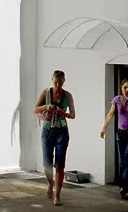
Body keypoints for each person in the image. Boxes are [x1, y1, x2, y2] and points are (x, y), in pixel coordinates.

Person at [35, 69, 76, 206]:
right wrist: (46, 106)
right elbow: (36, 109)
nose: (58, 85)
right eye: (56, 82)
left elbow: (73, 115)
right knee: (47, 163)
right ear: (52, 80)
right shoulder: (46, 93)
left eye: (60, 82)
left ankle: (57, 195)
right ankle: (50, 183)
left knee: (60, 164)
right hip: (47, 131)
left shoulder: (68, 95)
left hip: (62, 131)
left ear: (64, 81)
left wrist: (62, 113)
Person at [100, 79, 128, 197]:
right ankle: (124, 184)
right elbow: (110, 114)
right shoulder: (117, 99)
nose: (127, 90)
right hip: (121, 133)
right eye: (125, 87)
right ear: (121, 88)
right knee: (123, 159)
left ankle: (125, 185)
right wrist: (104, 128)